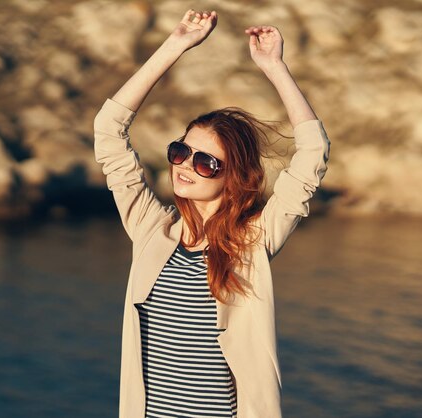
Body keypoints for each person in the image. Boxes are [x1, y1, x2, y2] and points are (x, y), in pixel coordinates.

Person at [93, 8, 331, 418]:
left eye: (206, 162)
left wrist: (274, 68)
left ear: (234, 176)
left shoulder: (253, 241)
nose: (186, 166)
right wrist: (176, 44)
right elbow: (109, 130)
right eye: (181, 152)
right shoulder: (153, 230)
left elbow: (313, 153)